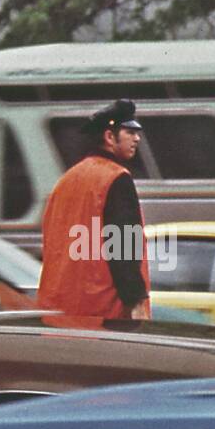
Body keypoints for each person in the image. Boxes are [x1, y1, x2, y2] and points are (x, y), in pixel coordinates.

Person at [38, 99, 151, 319]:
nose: (137, 138)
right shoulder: (116, 178)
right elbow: (123, 248)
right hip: (103, 313)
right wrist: (136, 302)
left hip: (60, 308)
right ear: (110, 137)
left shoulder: (66, 180)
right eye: (129, 132)